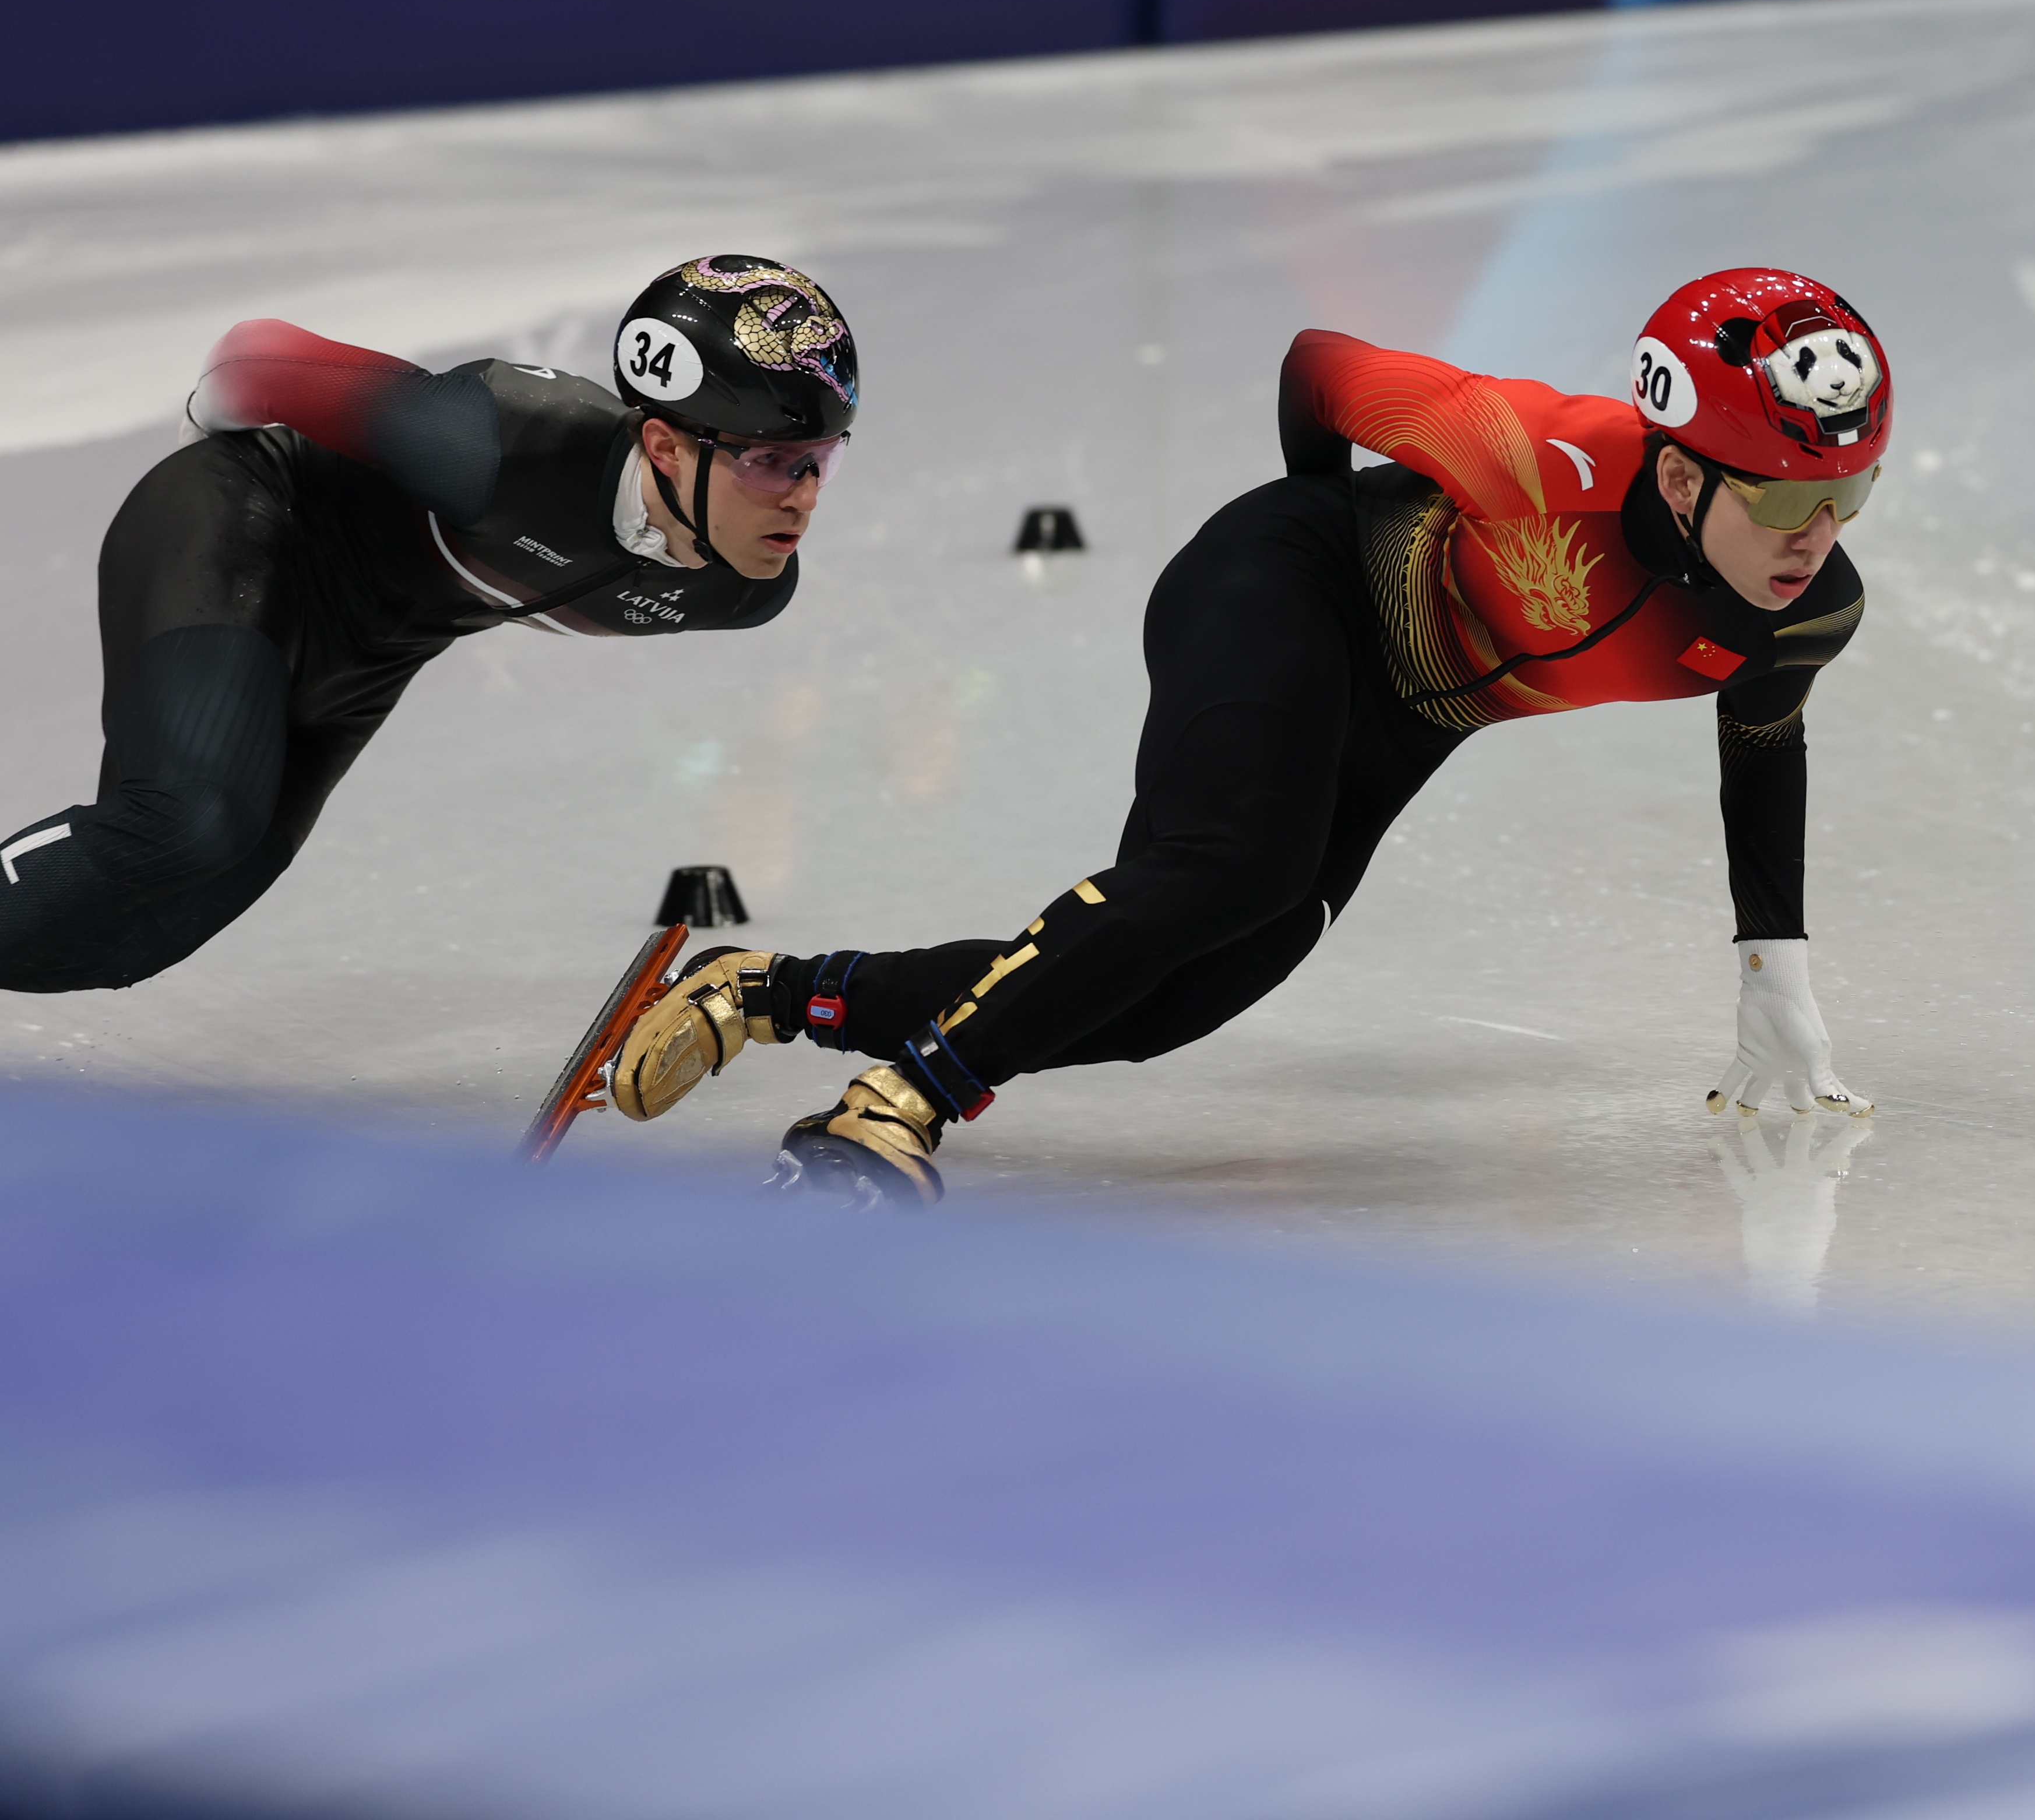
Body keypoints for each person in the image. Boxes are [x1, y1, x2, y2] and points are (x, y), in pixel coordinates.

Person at [603, 270, 1891, 1206]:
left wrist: (1773, 981)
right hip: (1290, 585)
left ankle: (768, 991)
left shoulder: (1808, 610)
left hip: (1412, 715)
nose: (1817, 537)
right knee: (1231, 867)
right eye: (1788, 500)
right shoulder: (1528, 450)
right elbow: (1321, 367)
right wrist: (1323, 530)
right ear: (1681, 475)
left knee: (1176, 996)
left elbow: (1763, 740)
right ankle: (894, 1111)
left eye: (1848, 494)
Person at [0, 257, 857, 992]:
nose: (804, 498)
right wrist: (205, 468)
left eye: (823, 460)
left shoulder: (742, 592)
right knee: (187, 823)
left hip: (371, 652)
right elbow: (258, 356)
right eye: (770, 462)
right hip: (245, 529)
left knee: (139, 938)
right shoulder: (502, 444)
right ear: (666, 448)